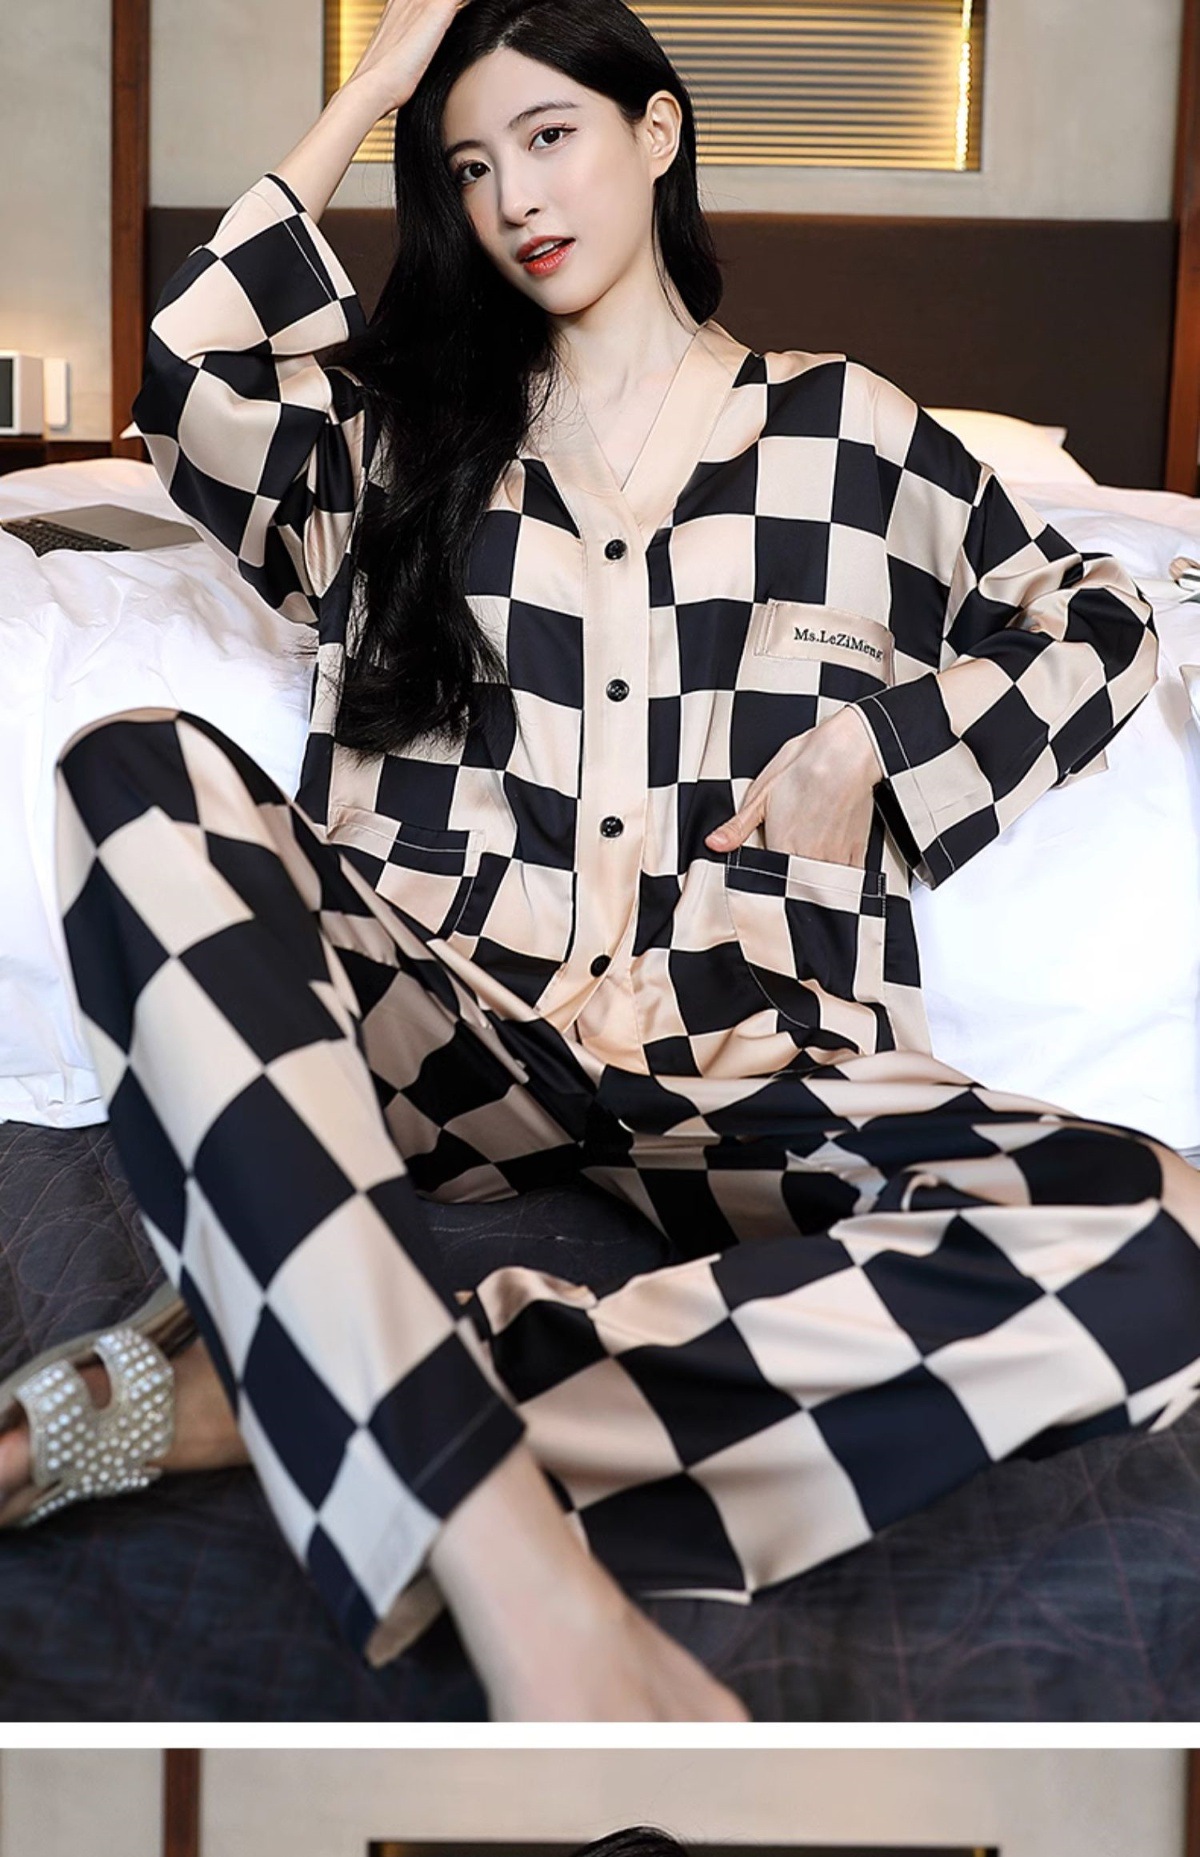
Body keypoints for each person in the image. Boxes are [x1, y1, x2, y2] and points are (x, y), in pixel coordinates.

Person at [2, 0, 1199, 1724]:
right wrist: (377, 87)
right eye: (468, 166)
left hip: (760, 1058)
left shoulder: (854, 439)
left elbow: (1101, 617)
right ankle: (509, 1555)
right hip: (448, 1032)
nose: (512, 197)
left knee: (1164, 1230)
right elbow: (189, 377)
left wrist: (878, 747)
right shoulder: (399, 443)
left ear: (657, 130)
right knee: (134, 769)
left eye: (550, 136)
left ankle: (294, 1398)